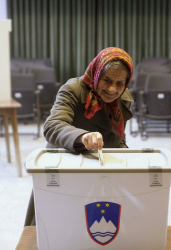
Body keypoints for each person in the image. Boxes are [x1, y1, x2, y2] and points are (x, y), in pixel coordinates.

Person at [24, 47, 134, 226]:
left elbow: (118, 137)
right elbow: (52, 126)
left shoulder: (123, 96)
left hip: (100, 167)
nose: (112, 89)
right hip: (66, 165)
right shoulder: (73, 89)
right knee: (56, 227)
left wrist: (127, 160)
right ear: (97, 73)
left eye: (120, 83)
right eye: (106, 80)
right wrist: (83, 137)